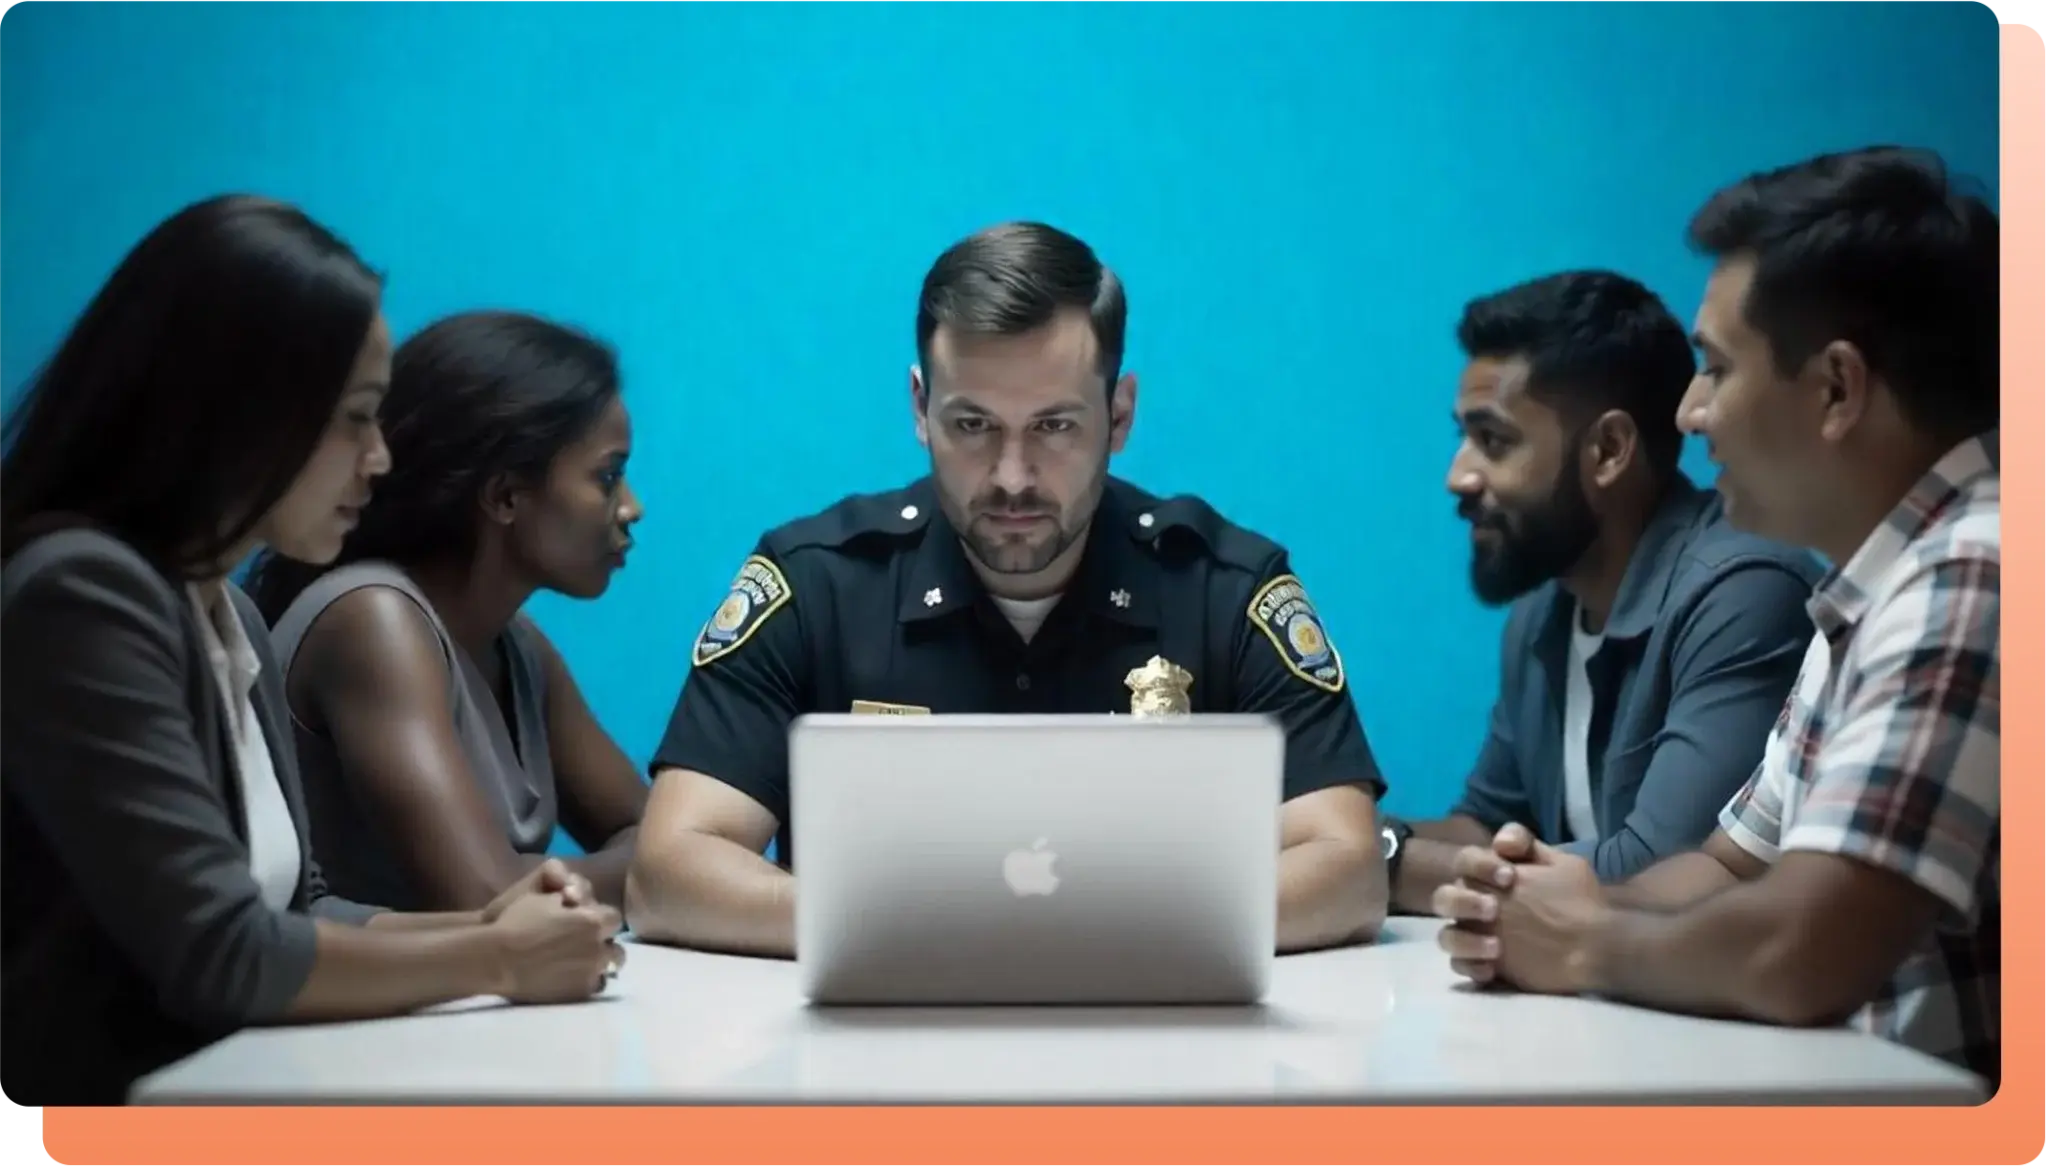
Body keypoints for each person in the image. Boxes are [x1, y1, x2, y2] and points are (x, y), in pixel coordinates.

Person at [0, 196, 624, 1109]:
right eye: (356, 419)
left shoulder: (230, 617)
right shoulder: (82, 594)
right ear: (238, 407)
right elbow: (220, 952)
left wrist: (498, 926)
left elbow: (300, 910)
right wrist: (495, 954)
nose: (378, 461)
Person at [626, 221, 1389, 958]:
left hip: (1160, 1059)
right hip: (872, 1063)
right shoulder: (816, 584)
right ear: (920, 408)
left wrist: (1077, 938)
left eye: (1055, 426)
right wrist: (927, 935)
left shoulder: (1224, 590)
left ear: (1119, 415)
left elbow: (1347, 867)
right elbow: (668, 870)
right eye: (973, 426)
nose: (1012, 477)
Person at [1431, 146, 2002, 1091]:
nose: (1691, 415)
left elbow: (1800, 948)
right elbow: (1730, 868)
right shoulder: (1873, 592)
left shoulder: (1975, 570)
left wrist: (1585, 944)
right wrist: (1531, 905)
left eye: (1716, 369)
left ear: (1835, 390)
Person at [1380, 270, 1821, 915]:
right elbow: (1489, 824)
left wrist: (1385, 862)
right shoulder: (1541, 615)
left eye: (1494, 440)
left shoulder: (1745, 593)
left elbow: (1658, 872)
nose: (1458, 476)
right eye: (1463, 438)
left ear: (1609, 450)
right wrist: (1354, 835)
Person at [244, 311, 649, 914]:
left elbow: (672, 845)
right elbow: (487, 899)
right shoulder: (372, 620)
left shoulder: (519, 647)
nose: (631, 508)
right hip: (354, 1007)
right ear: (506, 495)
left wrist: (552, 878)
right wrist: (642, 875)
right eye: (608, 476)